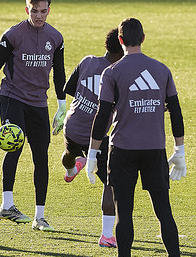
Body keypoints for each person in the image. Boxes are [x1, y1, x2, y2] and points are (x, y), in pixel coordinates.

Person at [88, 18, 185, 257]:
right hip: (155, 150)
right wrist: (179, 150)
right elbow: (175, 109)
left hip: (122, 150)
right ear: (143, 38)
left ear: (120, 41)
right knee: (164, 211)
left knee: (124, 214)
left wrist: (92, 154)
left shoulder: (112, 72)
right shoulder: (162, 70)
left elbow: (102, 116)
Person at [0, 0, 66, 232]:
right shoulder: (13, 35)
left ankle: (39, 217)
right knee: (14, 145)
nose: (39, 16)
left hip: (39, 102)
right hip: (13, 97)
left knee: (41, 157)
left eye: (43, 11)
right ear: (26, 9)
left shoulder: (56, 38)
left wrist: (62, 105)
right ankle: (7, 205)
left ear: (49, 10)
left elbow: (59, 72)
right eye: (34, 11)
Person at [61, 28, 123, 248]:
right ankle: (107, 235)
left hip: (72, 126)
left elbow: (69, 89)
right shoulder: (118, 73)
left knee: (68, 155)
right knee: (110, 182)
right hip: (98, 137)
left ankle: (72, 168)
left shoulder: (87, 61)